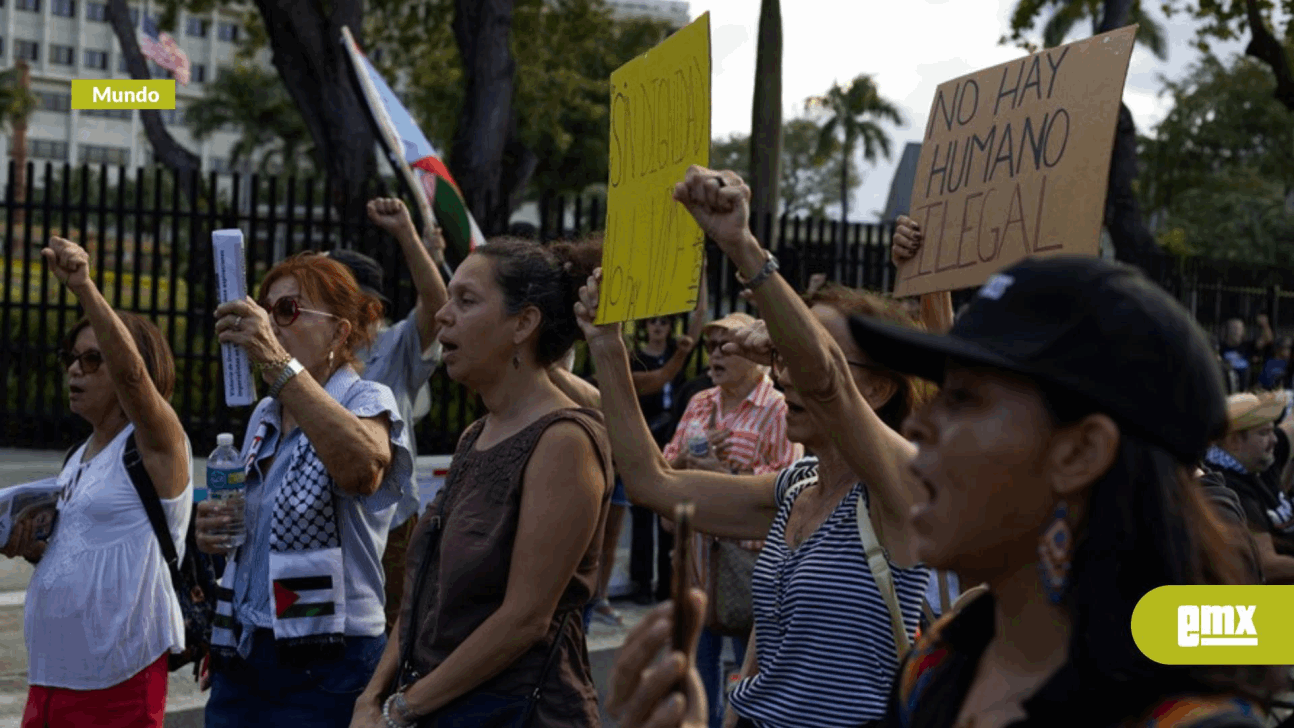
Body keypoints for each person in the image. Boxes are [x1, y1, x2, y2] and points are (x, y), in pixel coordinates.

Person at [608, 167, 1280, 728]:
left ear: (1079, 453)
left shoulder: (1185, 714)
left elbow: (831, 383)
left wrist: (747, 252)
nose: (923, 427)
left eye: (964, 401)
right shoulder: (937, 667)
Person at [576, 175, 939, 728]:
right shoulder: (795, 488)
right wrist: (606, 343)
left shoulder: (900, 485)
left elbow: (826, 383)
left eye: (799, 353)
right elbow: (653, 482)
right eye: (782, 355)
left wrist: (744, 247)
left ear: (879, 388)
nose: (784, 372)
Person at [352, 237, 612, 728]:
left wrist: (399, 710)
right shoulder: (477, 434)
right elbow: (423, 595)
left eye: (466, 301)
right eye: (448, 299)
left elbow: (525, 620)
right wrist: (371, 696)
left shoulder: (564, 441)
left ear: (524, 323)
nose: (444, 315)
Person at [199, 252, 415, 727]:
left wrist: (278, 365)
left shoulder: (366, 398)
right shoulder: (265, 414)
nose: (270, 324)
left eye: (288, 311)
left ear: (339, 332)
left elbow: (362, 469)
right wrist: (218, 530)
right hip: (248, 651)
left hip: (329, 661)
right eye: (266, 309)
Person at [7, 236, 192, 728]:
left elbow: (133, 379)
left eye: (93, 360)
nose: (74, 368)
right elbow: (85, 547)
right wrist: (29, 547)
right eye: (72, 356)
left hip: (117, 680)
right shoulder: (78, 455)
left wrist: (84, 287)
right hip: (52, 677)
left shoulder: (157, 443)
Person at [326, 196, 450, 633]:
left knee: (395, 625)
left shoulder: (395, 345)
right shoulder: (306, 353)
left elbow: (437, 306)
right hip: (328, 519)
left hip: (392, 520)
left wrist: (406, 234)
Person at [629, 302, 704, 607]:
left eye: (664, 322)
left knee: (669, 513)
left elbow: (698, 321)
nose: (658, 327)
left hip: (671, 436)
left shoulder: (678, 348)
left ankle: (666, 585)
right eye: (652, 322)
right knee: (643, 515)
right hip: (645, 435)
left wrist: (700, 279)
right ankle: (642, 582)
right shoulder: (637, 359)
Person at [1207, 391, 1294, 583]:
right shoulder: (1229, 488)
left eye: (1272, 430)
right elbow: (1268, 564)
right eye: (1264, 433)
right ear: (1234, 441)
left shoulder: (1257, 459)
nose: (1274, 440)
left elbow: (1290, 428)